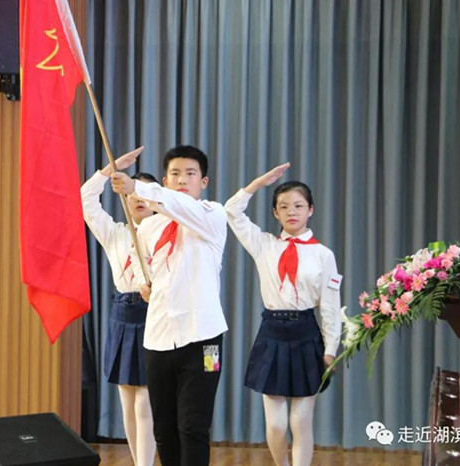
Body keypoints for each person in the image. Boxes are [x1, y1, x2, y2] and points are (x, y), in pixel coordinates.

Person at [110, 145, 228, 466]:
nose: (182, 180)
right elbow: (138, 261)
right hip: (159, 338)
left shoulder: (212, 215)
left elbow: (177, 205)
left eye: (190, 173)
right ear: (165, 180)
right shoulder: (149, 227)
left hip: (205, 340)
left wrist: (137, 188)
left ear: (203, 181)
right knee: (163, 429)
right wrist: (143, 284)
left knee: (193, 425)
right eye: (175, 174)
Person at [224, 162, 342, 466]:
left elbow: (330, 305)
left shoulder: (323, 254)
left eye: (299, 206)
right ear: (275, 213)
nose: (292, 212)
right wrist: (256, 185)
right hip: (272, 333)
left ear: (311, 210)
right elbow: (231, 212)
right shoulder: (263, 244)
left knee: (300, 421)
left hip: (306, 333)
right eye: (284, 206)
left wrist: (331, 349)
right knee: (276, 425)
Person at [81, 147, 157, 466]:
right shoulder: (115, 233)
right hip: (123, 314)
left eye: (145, 194)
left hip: (154, 315)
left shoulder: (166, 235)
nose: (138, 200)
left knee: (145, 399)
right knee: (127, 396)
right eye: (132, 193)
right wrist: (106, 172)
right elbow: (85, 199)